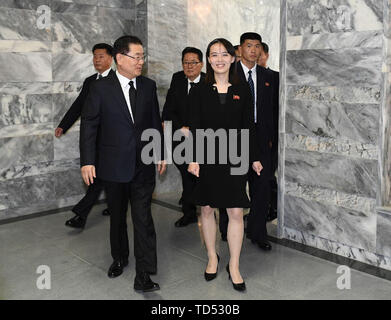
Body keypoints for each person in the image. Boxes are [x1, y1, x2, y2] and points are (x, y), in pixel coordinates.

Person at [80, 35, 166, 292]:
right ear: (120, 58)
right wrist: (87, 161)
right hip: (113, 166)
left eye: (143, 56)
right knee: (117, 217)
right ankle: (119, 257)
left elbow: (154, 122)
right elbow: (89, 126)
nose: (141, 61)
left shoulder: (148, 86)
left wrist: (160, 152)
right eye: (136, 57)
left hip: (143, 165)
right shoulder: (99, 88)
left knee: (143, 219)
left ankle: (144, 275)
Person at [187, 38, 263, 292]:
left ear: (233, 58)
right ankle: (212, 257)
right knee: (207, 209)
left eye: (224, 54)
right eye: (213, 54)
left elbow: (248, 128)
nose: (219, 59)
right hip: (207, 157)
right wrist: (194, 158)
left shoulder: (242, 90)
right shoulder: (199, 90)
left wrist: (253, 157)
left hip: (235, 158)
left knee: (235, 212)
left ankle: (234, 266)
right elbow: (194, 126)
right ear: (208, 60)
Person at [56, 43, 114, 229]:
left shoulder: (117, 79)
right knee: (100, 176)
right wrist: (63, 125)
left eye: (101, 56)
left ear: (111, 58)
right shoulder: (91, 81)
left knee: (99, 178)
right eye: (95, 56)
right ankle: (114, 205)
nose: (97, 60)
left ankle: (81, 214)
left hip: (113, 140)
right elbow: (79, 105)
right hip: (94, 139)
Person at [237, 32, 274, 251]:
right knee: (234, 187)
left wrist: (270, 140)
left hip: (261, 138)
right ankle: (227, 230)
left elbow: (272, 111)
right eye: (249, 45)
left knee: (261, 188)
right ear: (240, 49)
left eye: (257, 46)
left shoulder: (268, 76)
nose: (253, 50)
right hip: (236, 137)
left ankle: (258, 232)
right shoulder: (229, 74)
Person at [162, 47, 205, 227]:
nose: (189, 66)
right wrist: (180, 128)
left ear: (201, 64)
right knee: (187, 177)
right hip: (180, 138)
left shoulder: (209, 82)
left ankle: (210, 212)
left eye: (193, 62)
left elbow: (210, 114)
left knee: (203, 178)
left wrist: (192, 128)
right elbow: (169, 108)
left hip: (204, 139)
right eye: (185, 62)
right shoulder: (177, 79)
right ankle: (189, 213)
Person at [258, 42, 279, 222]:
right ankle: (260, 209)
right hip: (254, 136)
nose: (258, 58)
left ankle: (274, 207)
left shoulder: (276, 77)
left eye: (261, 55)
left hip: (271, 136)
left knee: (269, 175)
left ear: (267, 55)